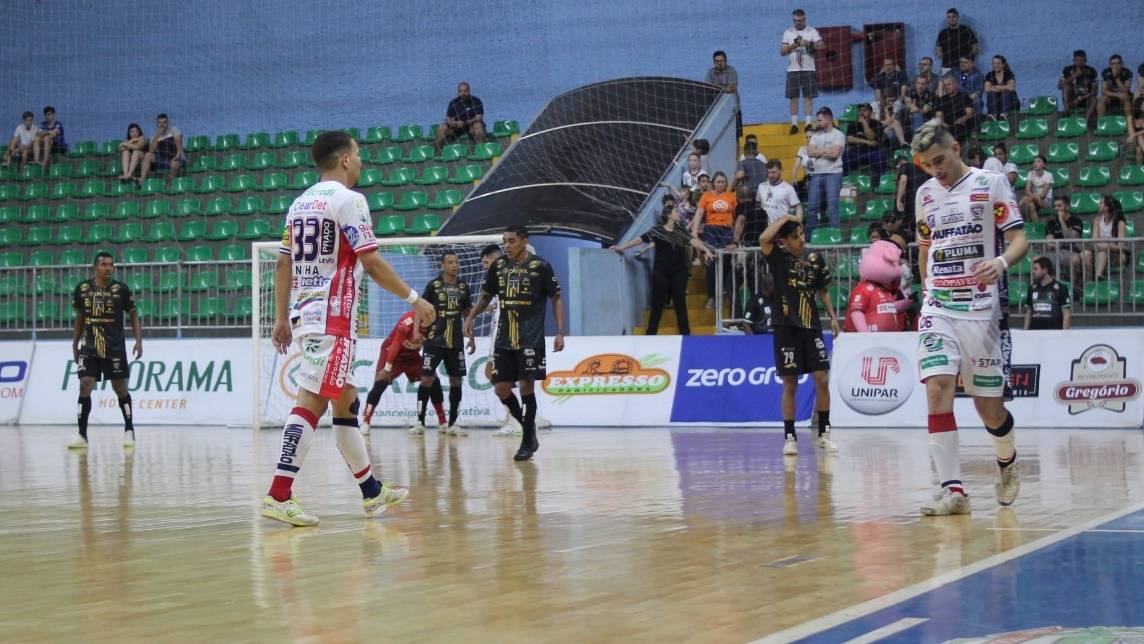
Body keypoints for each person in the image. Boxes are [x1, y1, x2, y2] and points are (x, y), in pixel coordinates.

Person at [260, 131, 435, 527]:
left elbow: (283, 264)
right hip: (333, 317)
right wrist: (415, 299)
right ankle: (278, 494)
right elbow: (370, 262)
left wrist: (282, 317)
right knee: (311, 402)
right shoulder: (349, 200)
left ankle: (371, 492)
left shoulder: (299, 203)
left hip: (308, 315)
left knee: (346, 403)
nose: (360, 163)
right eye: (357, 156)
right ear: (343, 160)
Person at [910, 118, 1029, 516]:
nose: (935, 169)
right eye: (927, 164)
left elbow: (1019, 239)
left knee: (988, 409)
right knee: (937, 388)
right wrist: (926, 286)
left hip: (982, 310)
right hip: (939, 305)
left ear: (956, 147)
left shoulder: (990, 183)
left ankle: (1007, 461)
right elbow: (926, 246)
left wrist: (1000, 261)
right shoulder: (925, 194)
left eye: (939, 159)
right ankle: (953, 491)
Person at [464, 225, 565, 461]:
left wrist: (560, 331)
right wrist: (470, 317)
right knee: (500, 388)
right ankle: (529, 432)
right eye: (504, 241)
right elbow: (486, 296)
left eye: (511, 241)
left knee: (526, 388)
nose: (506, 245)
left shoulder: (541, 266)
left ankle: (525, 443)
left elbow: (556, 298)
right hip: (504, 338)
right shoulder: (498, 266)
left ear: (523, 241)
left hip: (530, 338)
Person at [759, 215, 840, 457]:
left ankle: (824, 434)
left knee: (822, 378)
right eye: (795, 237)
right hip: (785, 327)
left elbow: (823, 291)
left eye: (803, 234)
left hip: (811, 326)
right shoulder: (778, 257)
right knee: (790, 383)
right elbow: (764, 237)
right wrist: (786, 217)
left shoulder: (815, 260)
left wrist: (833, 317)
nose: (802, 240)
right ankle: (790, 437)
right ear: (784, 241)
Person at [472, 244, 552, 436]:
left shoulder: (510, 272)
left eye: (486, 262)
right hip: (500, 332)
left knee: (496, 373)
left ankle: (517, 418)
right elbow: (489, 304)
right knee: (495, 374)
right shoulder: (498, 278)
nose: (485, 267)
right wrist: (470, 312)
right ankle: (520, 418)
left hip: (510, 334)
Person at [67, 252, 144, 450]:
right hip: (89, 344)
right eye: (103, 264)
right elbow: (79, 318)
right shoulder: (82, 289)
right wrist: (75, 343)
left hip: (114, 345)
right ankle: (82, 435)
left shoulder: (121, 289)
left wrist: (138, 341)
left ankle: (129, 430)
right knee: (85, 384)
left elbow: (134, 315)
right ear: (95, 267)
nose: (108, 268)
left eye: (111, 264)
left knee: (120, 388)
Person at [613, 198, 714, 335]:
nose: (678, 213)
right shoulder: (657, 231)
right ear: (668, 215)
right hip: (661, 272)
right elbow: (640, 239)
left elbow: (693, 240)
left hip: (679, 271)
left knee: (679, 300)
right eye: (676, 212)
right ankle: (651, 335)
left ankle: (685, 334)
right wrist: (621, 247)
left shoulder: (681, 231)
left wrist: (706, 250)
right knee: (658, 302)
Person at [415, 251, 474, 436]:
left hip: (455, 342)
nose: (455, 265)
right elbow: (420, 307)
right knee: (426, 379)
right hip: (434, 340)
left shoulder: (464, 287)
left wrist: (471, 337)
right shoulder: (433, 285)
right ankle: (420, 422)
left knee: (456, 380)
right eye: (450, 262)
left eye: (457, 262)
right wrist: (416, 330)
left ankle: (453, 423)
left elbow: (467, 313)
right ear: (443, 265)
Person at [359, 311, 437, 434]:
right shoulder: (407, 322)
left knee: (431, 377)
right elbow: (395, 345)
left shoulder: (436, 325)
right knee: (381, 381)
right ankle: (366, 421)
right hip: (392, 352)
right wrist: (387, 369)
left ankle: (442, 422)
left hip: (412, 356)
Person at [692, 171, 738, 308]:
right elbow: (699, 213)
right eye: (718, 182)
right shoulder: (706, 196)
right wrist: (694, 231)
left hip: (726, 231)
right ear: (713, 183)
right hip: (710, 230)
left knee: (725, 261)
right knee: (711, 263)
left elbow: (736, 215)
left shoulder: (731, 196)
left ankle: (722, 291)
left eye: (723, 182)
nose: (721, 184)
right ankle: (711, 296)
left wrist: (736, 236)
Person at [844, 240, 909, 332]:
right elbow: (856, 312)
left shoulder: (885, 290)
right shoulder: (863, 288)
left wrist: (907, 303)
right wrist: (865, 334)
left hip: (885, 340)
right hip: (864, 342)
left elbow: (890, 308)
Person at [804, 107, 845, 236]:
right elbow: (810, 152)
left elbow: (835, 154)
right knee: (812, 207)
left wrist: (818, 151)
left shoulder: (839, 135)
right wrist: (826, 150)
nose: (818, 123)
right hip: (816, 174)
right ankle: (810, 237)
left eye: (820, 120)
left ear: (828, 119)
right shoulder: (815, 136)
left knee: (833, 207)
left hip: (834, 174)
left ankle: (835, 235)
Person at [780, 9, 822, 135]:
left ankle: (808, 123)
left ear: (805, 19)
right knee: (793, 97)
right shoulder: (788, 32)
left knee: (808, 96)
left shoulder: (811, 31)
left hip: (808, 68)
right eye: (795, 21)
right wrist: (793, 45)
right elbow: (782, 52)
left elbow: (822, 45)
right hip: (793, 69)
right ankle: (794, 124)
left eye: (800, 20)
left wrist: (807, 43)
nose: (797, 23)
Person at [1080, 195, 1128, 281]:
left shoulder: (1120, 223)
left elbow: (1121, 246)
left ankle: (1098, 275)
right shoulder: (1097, 220)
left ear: (1107, 208)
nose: (1098, 204)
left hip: (1116, 254)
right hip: (1099, 251)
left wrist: (1107, 246)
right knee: (1085, 254)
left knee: (1102, 251)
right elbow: (1094, 239)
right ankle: (1089, 281)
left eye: (1101, 203)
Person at [434, 82, 485, 153]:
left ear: (469, 91)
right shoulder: (453, 102)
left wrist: (465, 122)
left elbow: (479, 117)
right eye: (461, 91)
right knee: (441, 128)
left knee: (478, 126)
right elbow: (448, 118)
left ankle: (481, 151)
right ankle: (437, 153)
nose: (463, 93)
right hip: (456, 127)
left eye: (465, 91)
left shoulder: (476, 101)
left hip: (471, 125)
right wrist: (454, 123)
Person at [138, 113, 184, 190]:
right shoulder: (154, 137)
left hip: (174, 158)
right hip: (162, 159)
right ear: (157, 124)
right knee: (148, 155)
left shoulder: (174, 130)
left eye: (164, 122)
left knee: (174, 163)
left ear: (167, 123)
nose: (162, 125)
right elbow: (152, 150)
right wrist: (158, 135)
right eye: (160, 123)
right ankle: (142, 182)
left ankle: (168, 186)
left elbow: (179, 145)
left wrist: (177, 156)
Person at [1024, 257, 1071, 330]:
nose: (1033, 271)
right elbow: (1028, 313)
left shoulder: (1061, 288)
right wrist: (1025, 332)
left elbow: (1066, 314)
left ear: (1045, 270)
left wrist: (1064, 335)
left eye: (1036, 269)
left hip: (1054, 333)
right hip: (1034, 333)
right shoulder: (1032, 288)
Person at [1045, 196, 1083, 280]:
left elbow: (1071, 239)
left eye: (1059, 206)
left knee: (1075, 260)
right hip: (1055, 252)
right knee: (1039, 261)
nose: (1056, 209)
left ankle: (1073, 289)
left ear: (1067, 207)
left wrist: (1061, 221)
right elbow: (1049, 244)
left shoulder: (1076, 221)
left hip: (1071, 251)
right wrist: (1056, 244)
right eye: (1055, 206)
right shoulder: (1051, 223)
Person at [843, 103, 887, 176]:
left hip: (873, 151)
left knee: (880, 156)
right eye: (860, 111)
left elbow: (871, 137)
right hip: (856, 151)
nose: (861, 113)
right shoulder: (852, 125)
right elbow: (850, 139)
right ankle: (846, 181)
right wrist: (868, 142)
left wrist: (864, 123)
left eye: (864, 110)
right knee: (844, 156)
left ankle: (878, 181)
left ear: (871, 112)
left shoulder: (877, 124)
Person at [756, 159, 802, 226]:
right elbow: (757, 205)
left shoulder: (788, 188)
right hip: (764, 228)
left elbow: (798, 206)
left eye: (773, 172)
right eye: (768, 172)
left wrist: (799, 222)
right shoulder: (761, 186)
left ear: (780, 170)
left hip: (781, 228)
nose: (770, 175)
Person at [934, 8, 978, 75]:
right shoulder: (943, 33)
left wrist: (968, 60)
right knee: (947, 84)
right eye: (949, 17)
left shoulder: (966, 30)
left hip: (964, 66)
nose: (951, 19)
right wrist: (947, 59)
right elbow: (939, 50)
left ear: (958, 17)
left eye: (954, 16)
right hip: (947, 66)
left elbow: (975, 47)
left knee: (964, 82)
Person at [934, 75, 975, 148]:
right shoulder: (941, 100)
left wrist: (962, 119)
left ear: (955, 84)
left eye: (949, 84)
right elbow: (938, 115)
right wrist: (943, 123)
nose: (947, 87)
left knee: (958, 128)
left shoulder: (964, 97)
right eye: (945, 85)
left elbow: (970, 113)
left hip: (961, 125)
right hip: (947, 125)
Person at [1060, 50, 1099, 121]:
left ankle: (1086, 120)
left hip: (1086, 98)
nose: (1079, 63)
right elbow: (1060, 86)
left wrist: (1080, 98)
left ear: (1085, 60)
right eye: (1077, 60)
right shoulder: (1067, 70)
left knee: (1094, 99)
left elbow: (1095, 91)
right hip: (1072, 98)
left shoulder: (1092, 71)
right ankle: (1067, 112)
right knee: (1066, 87)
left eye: (1082, 60)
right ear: (1073, 60)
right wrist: (1074, 76)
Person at [1019, 155, 1053, 222]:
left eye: (1038, 161)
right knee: (1031, 205)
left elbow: (1043, 195)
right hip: (1033, 199)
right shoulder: (1030, 173)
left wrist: (1032, 197)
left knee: (1026, 200)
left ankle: (1018, 206)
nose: (1035, 163)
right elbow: (1027, 190)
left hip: (1045, 200)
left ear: (1044, 165)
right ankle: (1035, 226)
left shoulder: (1049, 175)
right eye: (1034, 162)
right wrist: (1033, 197)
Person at [1098, 55, 1133, 120]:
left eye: (1118, 63)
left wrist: (1117, 78)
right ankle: (1101, 123)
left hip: (1122, 95)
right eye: (1113, 64)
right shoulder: (1105, 72)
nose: (1116, 66)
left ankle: (1128, 123)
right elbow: (1104, 90)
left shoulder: (1127, 72)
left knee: (1126, 98)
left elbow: (1126, 90)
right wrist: (1117, 95)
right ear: (1110, 64)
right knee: (1102, 99)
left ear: (1122, 63)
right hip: (1111, 96)